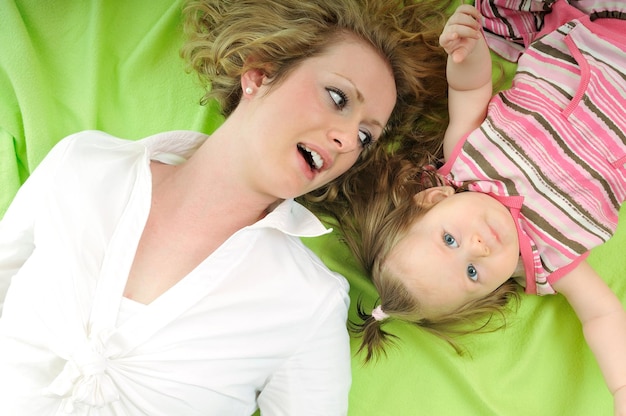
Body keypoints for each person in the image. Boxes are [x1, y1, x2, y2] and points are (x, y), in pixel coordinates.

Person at [0, 0, 452, 414]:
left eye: (365, 136)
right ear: (259, 73)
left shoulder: (307, 301)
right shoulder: (83, 163)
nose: (345, 138)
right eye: (338, 98)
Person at [335, 1, 626, 414]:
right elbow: (601, 314)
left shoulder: (467, 159)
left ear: (433, 199)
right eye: (472, 272)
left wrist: (466, 52)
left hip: (594, 45)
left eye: (449, 239)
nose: (478, 246)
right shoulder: (549, 258)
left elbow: (471, 89)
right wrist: (620, 389)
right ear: (491, 292)